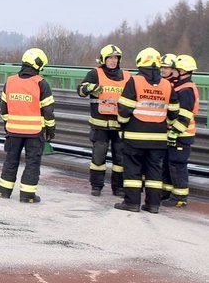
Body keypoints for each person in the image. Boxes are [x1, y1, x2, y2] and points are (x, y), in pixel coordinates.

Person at [114, 47, 179, 213]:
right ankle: (153, 205)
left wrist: (122, 124)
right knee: (155, 173)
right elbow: (173, 111)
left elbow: (124, 109)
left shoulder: (134, 81)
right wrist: (168, 123)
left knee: (133, 171)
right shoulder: (167, 84)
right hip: (158, 137)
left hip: (135, 135)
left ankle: (132, 203)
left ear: (140, 62)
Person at [0, 48, 56, 203]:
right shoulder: (41, 83)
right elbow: (48, 111)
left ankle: (3, 191)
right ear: (38, 64)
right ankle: (27, 195)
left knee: (10, 160)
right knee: (32, 163)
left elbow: (3, 107)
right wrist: (50, 129)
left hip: (13, 130)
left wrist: (8, 123)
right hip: (34, 133)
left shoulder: (10, 81)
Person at [77, 44, 131, 196]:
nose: (113, 61)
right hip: (100, 126)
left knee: (120, 160)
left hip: (120, 125)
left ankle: (118, 188)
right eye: (110, 58)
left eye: (116, 58)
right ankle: (96, 186)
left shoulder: (127, 76)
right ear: (103, 60)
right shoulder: (95, 74)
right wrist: (90, 88)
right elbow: (80, 90)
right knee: (98, 158)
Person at [162, 54, 199, 208]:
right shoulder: (179, 86)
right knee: (171, 164)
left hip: (181, 135)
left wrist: (174, 133)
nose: (173, 71)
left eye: (176, 69)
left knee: (178, 165)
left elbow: (184, 116)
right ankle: (169, 194)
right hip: (177, 134)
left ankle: (180, 197)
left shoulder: (186, 90)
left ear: (182, 71)